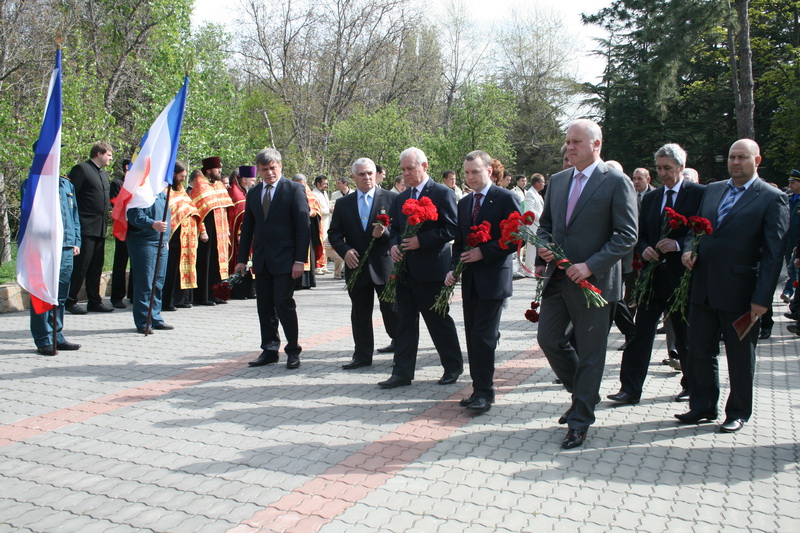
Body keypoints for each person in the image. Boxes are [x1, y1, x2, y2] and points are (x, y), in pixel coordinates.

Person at [535, 119, 638, 449]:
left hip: (592, 284)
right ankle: (583, 393)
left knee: (592, 353)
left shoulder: (616, 182)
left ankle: (580, 420)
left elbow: (626, 235)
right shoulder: (559, 179)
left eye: (576, 142)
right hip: (557, 280)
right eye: (567, 142)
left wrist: (590, 265)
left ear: (596, 144)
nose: (569, 147)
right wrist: (543, 248)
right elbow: (547, 224)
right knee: (549, 339)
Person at [676, 139, 788, 433]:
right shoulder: (713, 190)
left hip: (740, 291)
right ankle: (702, 405)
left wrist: (762, 298)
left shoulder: (771, 198)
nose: (735, 163)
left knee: (739, 357)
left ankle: (738, 411)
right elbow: (694, 227)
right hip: (703, 286)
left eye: (742, 158)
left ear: (757, 161)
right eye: (731, 157)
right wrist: (688, 248)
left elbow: (774, 254)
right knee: (699, 350)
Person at [607, 143, 705, 406]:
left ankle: (691, 385)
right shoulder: (651, 198)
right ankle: (630, 388)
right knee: (641, 333)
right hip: (652, 279)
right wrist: (644, 248)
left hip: (681, 278)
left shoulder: (698, 194)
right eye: (659, 168)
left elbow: (703, 231)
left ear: (681, 168)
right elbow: (640, 235)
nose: (662, 173)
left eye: (668, 168)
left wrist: (678, 244)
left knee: (685, 335)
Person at [378, 147, 464, 389]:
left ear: (424, 166)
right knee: (404, 322)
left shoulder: (441, 193)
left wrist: (420, 241)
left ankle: (452, 366)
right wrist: (394, 245)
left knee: (438, 320)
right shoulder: (402, 198)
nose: (406, 174)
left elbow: (451, 229)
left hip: (431, 269)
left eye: (410, 169)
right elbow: (394, 229)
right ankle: (402, 373)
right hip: (403, 272)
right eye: (403, 169)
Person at [445, 150, 521, 412]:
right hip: (471, 281)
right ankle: (478, 388)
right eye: (466, 172)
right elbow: (460, 242)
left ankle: (485, 393)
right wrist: (454, 268)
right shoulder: (464, 203)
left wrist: (484, 252)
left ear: (488, 171)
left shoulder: (506, 198)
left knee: (484, 336)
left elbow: (515, 239)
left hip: (494, 278)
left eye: (475, 172)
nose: (470, 177)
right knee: (473, 335)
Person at [236, 148, 310, 369]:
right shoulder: (254, 192)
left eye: (273, 168)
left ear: (280, 166)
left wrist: (300, 260)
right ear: (258, 170)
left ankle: (293, 350)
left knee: (283, 303)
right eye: (264, 169)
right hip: (262, 259)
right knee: (264, 305)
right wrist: (241, 259)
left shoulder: (294, 189)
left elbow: (303, 227)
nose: (269, 173)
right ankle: (269, 349)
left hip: (287, 260)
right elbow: (248, 227)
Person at [328, 157, 399, 369]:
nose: (367, 177)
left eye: (370, 173)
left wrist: (384, 233)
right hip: (356, 267)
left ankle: (401, 350)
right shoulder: (343, 203)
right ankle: (362, 355)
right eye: (362, 174)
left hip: (384, 266)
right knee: (360, 313)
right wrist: (345, 250)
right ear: (353, 177)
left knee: (392, 311)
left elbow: (398, 232)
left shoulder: (391, 199)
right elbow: (334, 233)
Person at [26, 175, 82, 354]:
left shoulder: (66, 183)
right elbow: (30, 214)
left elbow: (74, 215)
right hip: (44, 247)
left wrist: (76, 240)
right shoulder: (33, 181)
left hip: (66, 246)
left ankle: (57, 335)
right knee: (42, 294)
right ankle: (44, 339)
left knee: (60, 295)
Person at [66, 141, 114, 314]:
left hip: (100, 229)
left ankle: (95, 301)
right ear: (99, 154)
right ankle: (70, 300)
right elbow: (71, 198)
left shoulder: (103, 175)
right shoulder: (81, 169)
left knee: (96, 267)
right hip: (85, 228)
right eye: (109, 155)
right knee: (81, 266)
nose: (111, 158)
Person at [126, 186, 172, 334]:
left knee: (158, 282)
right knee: (145, 282)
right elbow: (132, 214)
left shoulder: (161, 191)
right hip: (143, 241)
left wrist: (166, 239)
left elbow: (168, 217)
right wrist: (151, 224)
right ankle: (143, 321)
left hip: (161, 241)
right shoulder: (139, 190)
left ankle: (155, 317)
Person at [190, 156, 233, 306]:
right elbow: (196, 211)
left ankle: (218, 295)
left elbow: (225, 209)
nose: (220, 170)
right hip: (207, 231)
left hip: (220, 231)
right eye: (217, 168)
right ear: (208, 170)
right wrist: (202, 231)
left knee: (219, 264)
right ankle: (205, 296)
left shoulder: (220, 185)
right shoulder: (199, 185)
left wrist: (226, 228)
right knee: (206, 262)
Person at [162, 162, 201, 311]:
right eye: (182, 176)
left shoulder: (182, 191)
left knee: (186, 268)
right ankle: (169, 301)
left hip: (188, 237)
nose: (184, 179)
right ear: (173, 175)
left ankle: (183, 298)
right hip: (174, 238)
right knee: (172, 268)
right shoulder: (166, 191)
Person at [227, 165, 258, 299]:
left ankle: (249, 291)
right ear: (244, 179)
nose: (254, 183)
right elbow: (237, 215)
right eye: (252, 180)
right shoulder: (236, 194)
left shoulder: (245, 192)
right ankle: (240, 291)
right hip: (239, 237)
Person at [109, 158, 132, 309]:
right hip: (123, 228)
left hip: (137, 229)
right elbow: (115, 203)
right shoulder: (117, 184)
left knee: (137, 264)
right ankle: (117, 297)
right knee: (120, 263)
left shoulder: (139, 185)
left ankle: (134, 294)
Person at [292, 174, 320, 290]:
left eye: (301, 185)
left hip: (307, 228)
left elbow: (316, 211)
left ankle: (307, 281)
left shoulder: (311, 196)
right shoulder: (289, 194)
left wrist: (312, 212)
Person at [780, 170, 800, 303]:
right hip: (788, 238)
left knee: (794, 265)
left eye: (793, 183)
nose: (790, 185)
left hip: (798, 239)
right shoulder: (788, 198)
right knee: (790, 266)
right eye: (789, 183)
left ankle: (788, 291)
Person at [522, 173, 545, 276]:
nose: (544, 184)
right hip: (533, 225)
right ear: (537, 183)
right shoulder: (530, 193)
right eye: (543, 182)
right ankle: (528, 269)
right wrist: (541, 217)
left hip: (538, 225)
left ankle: (531, 268)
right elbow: (529, 210)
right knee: (531, 248)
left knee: (535, 248)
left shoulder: (537, 194)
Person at [329, 177, 352, 279]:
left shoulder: (354, 194)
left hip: (349, 224)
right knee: (338, 249)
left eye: (339, 183)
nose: (337, 185)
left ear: (345, 184)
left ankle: (344, 270)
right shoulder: (334, 195)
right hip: (338, 223)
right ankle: (337, 272)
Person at [312, 175, 332, 275]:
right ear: (318, 183)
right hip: (319, 221)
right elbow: (317, 208)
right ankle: (317, 266)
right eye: (324, 183)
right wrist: (329, 210)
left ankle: (324, 265)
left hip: (326, 221)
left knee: (325, 243)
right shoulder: (314, 194)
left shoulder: (323, 193)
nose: (326, 185)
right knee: (320, 243)